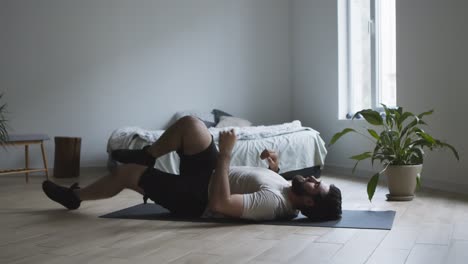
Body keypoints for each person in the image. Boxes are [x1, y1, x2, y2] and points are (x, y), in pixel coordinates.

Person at [42, 116, 342, 221]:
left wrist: (225, 155)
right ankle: (149, 154)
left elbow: (220, 205)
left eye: (317, 185)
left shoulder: (274, 203)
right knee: (192, 125)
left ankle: (76, 197)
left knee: (127, 173)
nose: (314, 178)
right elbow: (259, 181)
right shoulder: (288, 190)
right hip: (209, 175)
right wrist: (274, 168)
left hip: (196, 197)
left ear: (309, 202)